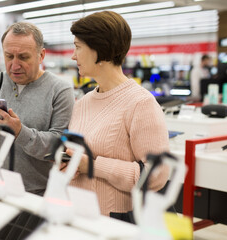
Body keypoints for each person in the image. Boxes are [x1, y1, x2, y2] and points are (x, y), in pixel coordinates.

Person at [65, 11, 170, 218]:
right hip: (77, 215)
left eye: (78, 47)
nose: (73, 55)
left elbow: (157, 175)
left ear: (100, 50)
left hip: (114, 221)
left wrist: (93, 166)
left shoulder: (141, 103)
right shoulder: (83, 102)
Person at [0, 22, 75, 196]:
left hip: (36, 195)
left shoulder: (60, 90)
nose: (14, 66)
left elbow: (58, 146)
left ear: (41, 55)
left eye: (23, 57)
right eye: (9, 56)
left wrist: (20, 132)